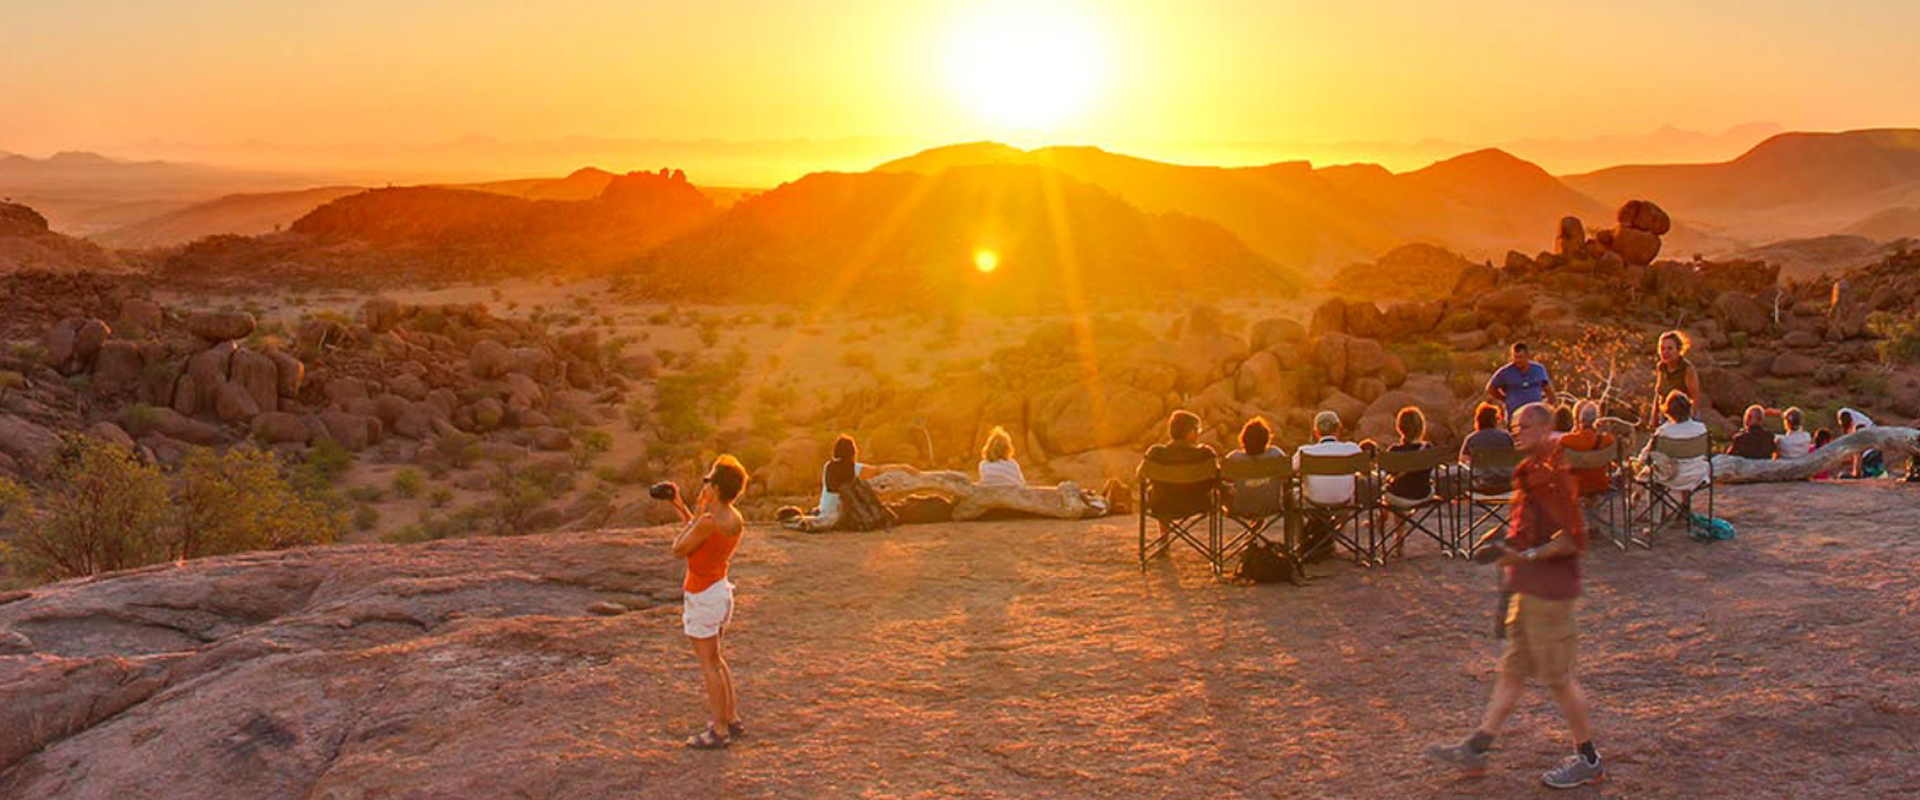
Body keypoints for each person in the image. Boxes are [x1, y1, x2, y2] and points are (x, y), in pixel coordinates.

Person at [1426, 402, 1603, 788]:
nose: (1515, 432)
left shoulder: (1554, 475)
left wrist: (1526, 556)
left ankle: (1588, 757)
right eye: (1513, 426)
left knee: (1558, 678)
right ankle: (1476, 746)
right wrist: (1502, 548)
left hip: (1551, 591)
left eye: (1521, 426)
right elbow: (1525, 528)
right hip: (1527, 586)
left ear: (1542, 430)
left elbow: (1572, 538)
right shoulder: (1529, 472)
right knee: (1513, 670)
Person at [668, 455, 750, 750]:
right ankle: (731, 718)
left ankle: (718, 731)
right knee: (717, 659)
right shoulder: (733, 518)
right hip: (720, 592)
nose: (704, 483)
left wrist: (699, 511)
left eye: (708, 480)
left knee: (709, 665)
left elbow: (679, 548)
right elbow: (700, 533)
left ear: (715, 487)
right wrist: (680, 505)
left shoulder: (708, 521)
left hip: (702, 595)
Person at [1140, 410, 1219, 527]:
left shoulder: (1156, 453)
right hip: (1197, 504)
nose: (1198, 433)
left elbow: (1141, 475)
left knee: (1159, 492)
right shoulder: (1205, 454)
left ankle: (1163, 539)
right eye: (1197, 430)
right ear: (1191, 432)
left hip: (1163, 505)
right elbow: (1216, 478)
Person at [1638, 391, 1710, 509]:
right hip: (1697, 476)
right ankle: (1685, 509)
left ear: (1667, 411)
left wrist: (1640, 461)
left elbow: (1647, 456)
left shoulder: (1663, 432)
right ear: (1688, 408)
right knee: (1686, 464)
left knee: (1654, 476)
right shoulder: (1701, 429)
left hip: (1670, 477)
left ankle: (1656, 518)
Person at [1295, 410, 1364, 506]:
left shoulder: (1304, 451)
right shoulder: (1352, 449)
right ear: (1338, 429)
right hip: (1345, 501)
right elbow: (1365, 470)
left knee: (1293, 492)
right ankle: (1337, 521)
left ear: (1316, 432)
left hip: (1313, 502)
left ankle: (1312, 521)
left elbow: (1291, 469)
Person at [1224, 416, 1288, 517]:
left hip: (1240, 507)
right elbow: (1287, 477)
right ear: (1266, 439)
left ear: (1243, 439)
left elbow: (1224, 479)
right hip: (1271, 507)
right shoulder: (1276, 454)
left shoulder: (1233, 458)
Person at [1558, 401, 1617, 497]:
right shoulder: (1608, 440)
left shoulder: (1567, 441)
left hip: (1575, 486)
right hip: (1601, 485)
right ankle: (1592, 505)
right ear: (1597, 420)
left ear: (1579, 420)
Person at [1486, 343, 1557, 417]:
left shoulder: (1538, 370)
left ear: (1527, 356)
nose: (1518, 360)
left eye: (1520, 357)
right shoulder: (1505, 372)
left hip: (1536, 416)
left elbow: (1548, 389)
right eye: (1515, 357)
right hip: (1515, 415)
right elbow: (1490, 388)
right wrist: (1504, 399)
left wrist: (1552, 407)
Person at [1650, 331, 1703, 429]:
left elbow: (1695, 397)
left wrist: (1689, 421)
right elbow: (1658, 393)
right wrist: (1654, 416)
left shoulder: (1687, 368)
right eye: (1662, 349)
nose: (1665, 352)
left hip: (1684, 416)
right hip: (1665, 414)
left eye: (1670, 349)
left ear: (1678, 350)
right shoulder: (1661, 367)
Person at [1460, 402, 1517, 494]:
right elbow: (1517, 459)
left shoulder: (1472, 439)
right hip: (1507, 485)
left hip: (1481, 485)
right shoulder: (1507, 437)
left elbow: (1462, 462)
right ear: (1495, 420)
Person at [1384, 407, 1436, 504]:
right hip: (1424, 494)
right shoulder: (1428, 448)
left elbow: (1388, 473)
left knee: (1388, 491)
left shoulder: (1394, 451)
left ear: (1400, 428)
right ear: (1421, 427)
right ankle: (1404, 518)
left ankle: (1398, 519)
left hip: (1398, 496)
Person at [1836, 408, 1883, 478]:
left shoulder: (1859, 424)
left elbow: (1857, 452)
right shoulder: (1842, 413)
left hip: (1872, 445)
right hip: (1872, 444)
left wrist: (1856, 473)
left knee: (1871, 465)